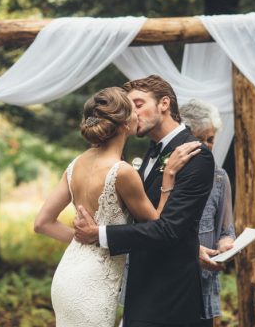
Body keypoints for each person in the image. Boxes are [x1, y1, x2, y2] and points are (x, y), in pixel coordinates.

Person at [34, 87, 201, 327]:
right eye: (134, 111)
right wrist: (169, 178)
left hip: (67, 275)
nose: (138, 116)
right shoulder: (122, 171)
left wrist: (87, 239)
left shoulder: (76, 164)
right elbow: (157, 225)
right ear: (123, 124)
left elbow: (42, 223)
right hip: (94, 283)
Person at [74, 75, 217, 327]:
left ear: (164, 103)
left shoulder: (195, 153)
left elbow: (169, 229)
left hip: (170, 294)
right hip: (140, 284)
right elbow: (152, 217)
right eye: (128, 108)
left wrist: (99, 234)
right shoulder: (151, 152)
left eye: (138, 104)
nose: (132, 114)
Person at [180, 99, 236, 327]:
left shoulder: (220, 177)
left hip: (204, 283)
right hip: (172, 279)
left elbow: (227, 229)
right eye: (199, 139)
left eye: (210, 140)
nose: (205, 145)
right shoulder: (166, 175)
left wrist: (226, 243)